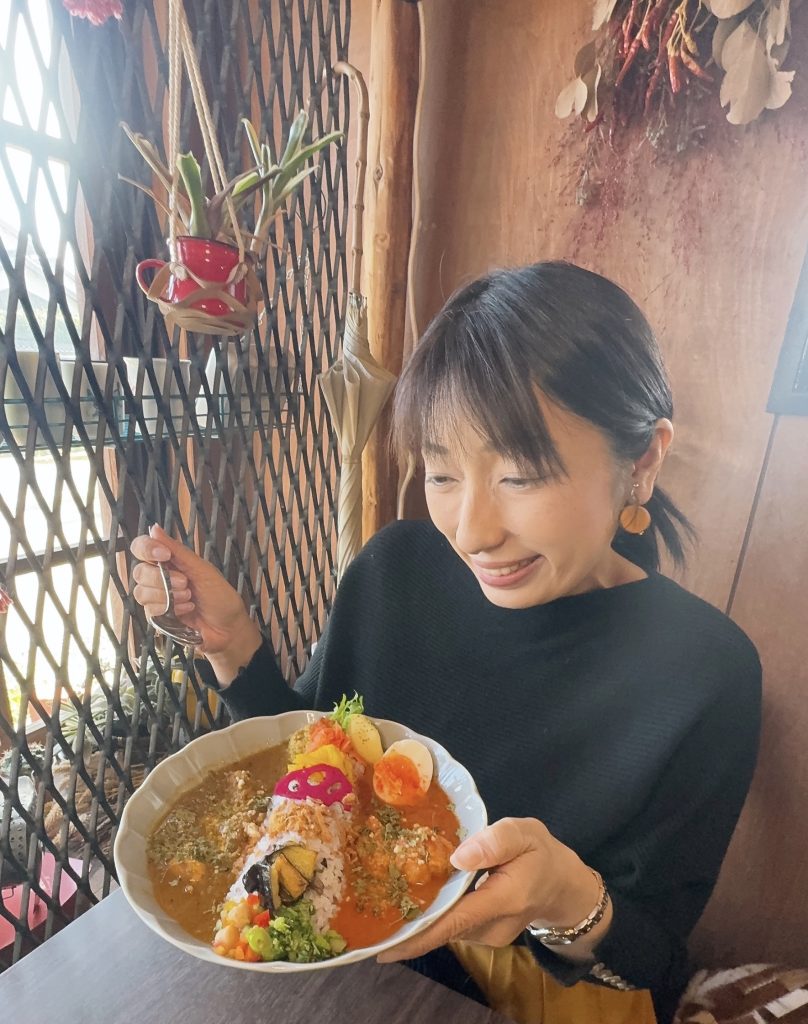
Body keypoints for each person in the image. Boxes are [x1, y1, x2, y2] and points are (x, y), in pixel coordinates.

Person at [131, 262, 761, 1024]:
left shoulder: (707, 674)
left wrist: (565, 896)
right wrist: (235, 646)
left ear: (644, 461)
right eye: (441, 472)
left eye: (520, 476)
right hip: (347, 964)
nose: (472, 532)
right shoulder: (396, 571)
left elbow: (654, 961)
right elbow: (312, 776)